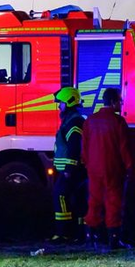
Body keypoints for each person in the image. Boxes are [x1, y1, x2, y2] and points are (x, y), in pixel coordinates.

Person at [83, 87, 133, 250]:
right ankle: (114, 240)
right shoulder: (118, 121)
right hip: (113, 169)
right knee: (114, 203)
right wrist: (129, 166)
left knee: (94, 202)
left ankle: (91, 238)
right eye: (119, 100)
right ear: (112, 102)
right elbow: (124, 148)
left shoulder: (90, 120)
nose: (121, 103)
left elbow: (84, 147)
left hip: (94, 169)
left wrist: (88, 164)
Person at [50, 87, 87, 243]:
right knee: (78, 199)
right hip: (72, 169)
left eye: (61, 103)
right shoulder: (71, 120)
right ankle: (78, 233)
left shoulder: (74, 122)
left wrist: (69, 169)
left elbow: (74, 147)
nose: (59, 106)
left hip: (72, 170)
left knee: (60, 195)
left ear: (69, 103)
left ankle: (63, 233)